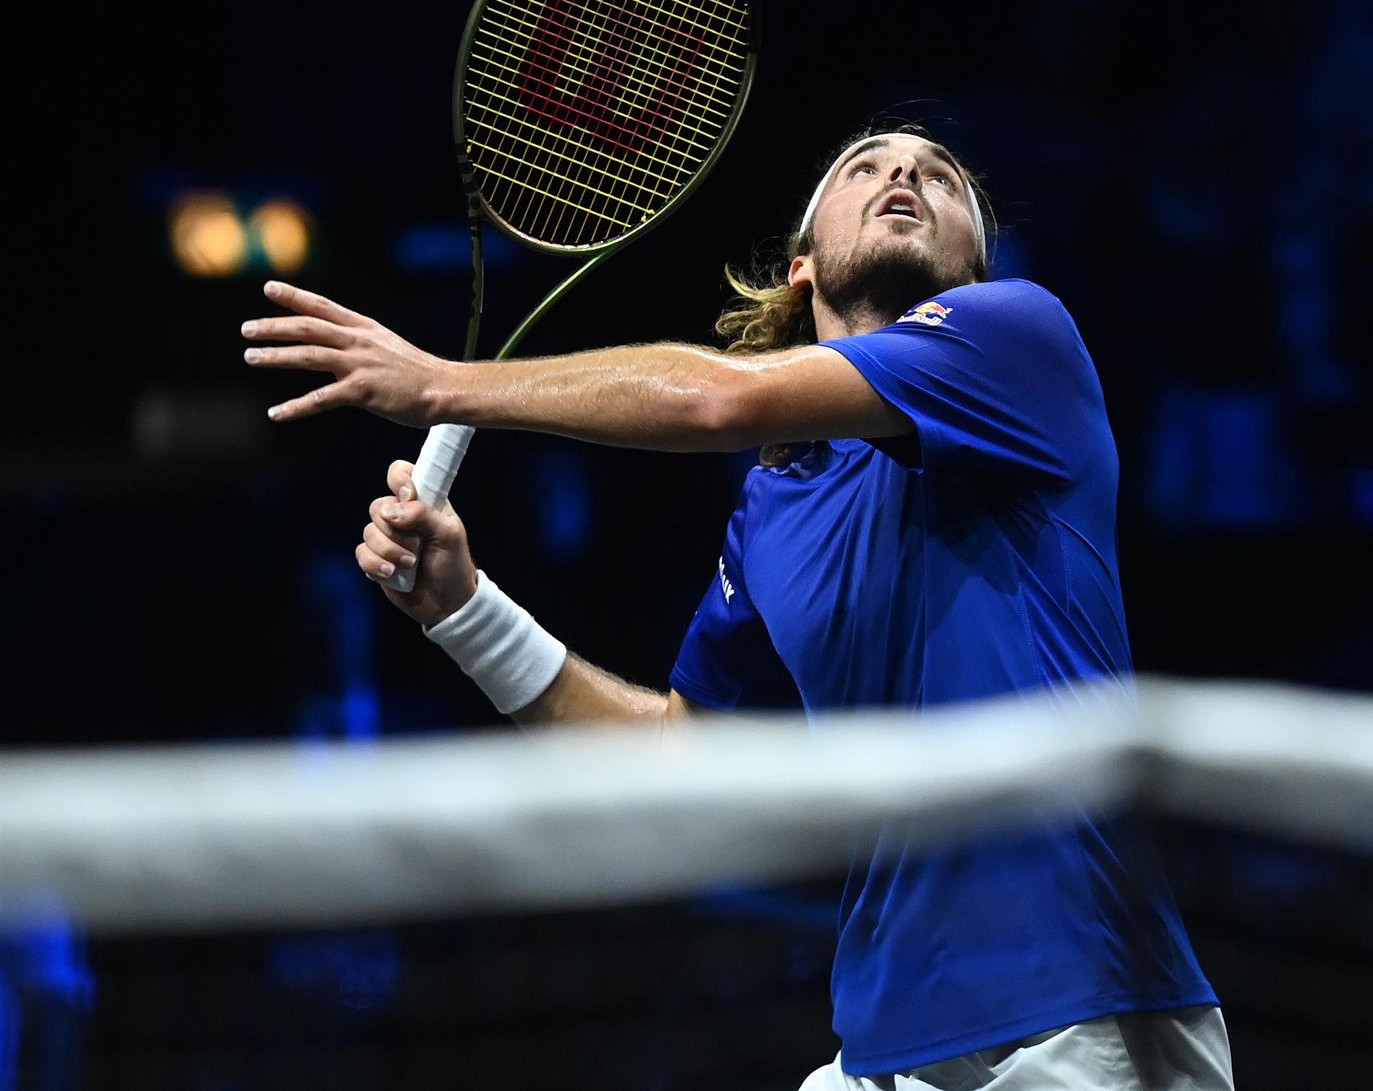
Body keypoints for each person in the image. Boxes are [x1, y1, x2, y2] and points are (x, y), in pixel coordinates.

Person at [241, 130, 1231, 1089]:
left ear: (974, 265)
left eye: (941, 177)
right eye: (868, 165)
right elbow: (678, 751)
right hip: (887, 1039)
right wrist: (462, 607)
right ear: (803, 267)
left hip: (1076, 1015)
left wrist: (440, 386)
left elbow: (715, 402)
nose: (906, 176)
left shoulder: (1020, 341)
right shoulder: (780, 505)